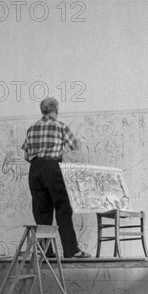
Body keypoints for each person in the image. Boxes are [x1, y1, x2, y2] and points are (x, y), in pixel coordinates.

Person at [22, 97, 90, 259]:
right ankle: (71, 250)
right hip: (53, 168)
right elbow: (76, 146)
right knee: (63, 209)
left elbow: (26, 155)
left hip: (35, 169)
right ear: (56, 110)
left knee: (42, 211)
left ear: (42, 110)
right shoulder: (60, 127)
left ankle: (46, 252)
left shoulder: (32, 128)